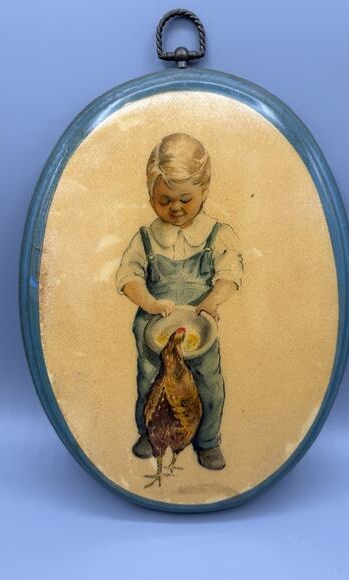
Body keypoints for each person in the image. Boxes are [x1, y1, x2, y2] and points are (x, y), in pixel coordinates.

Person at [115, 133, 244, 470]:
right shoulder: (145, 238)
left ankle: (208, 442)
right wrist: (149, 303)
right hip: (153, 331)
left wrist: (213, 301)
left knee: (209, 385)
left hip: (199, 332)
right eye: (164, 200)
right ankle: (150, 434)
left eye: (185, 199)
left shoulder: (217, 234)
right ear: (150, 196)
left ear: (204, 190)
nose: (175, 208)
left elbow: (230, 274)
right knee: (149, 383)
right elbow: (128, 278)